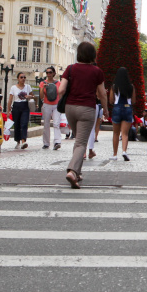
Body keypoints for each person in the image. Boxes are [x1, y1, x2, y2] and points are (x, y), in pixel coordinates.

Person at [58, 41, 108, 188]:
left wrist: (62, 100)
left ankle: (78, 173)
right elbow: (102, 94)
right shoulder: (97, 71)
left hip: (70, 108)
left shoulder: (70, 69)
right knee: (81, 142)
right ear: (92, 55)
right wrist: (105, 109)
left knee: (78, 141)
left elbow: (61, 90)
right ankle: (72, 171)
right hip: (87, 108)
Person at [109, 67, 136, 161]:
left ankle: (114, 154)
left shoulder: (114, 86)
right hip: (127, 108)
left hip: (117, 108)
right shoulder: (131, 87)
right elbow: (133, 101)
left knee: (116, 133)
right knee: (125, 133)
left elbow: (111, 100)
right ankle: (124, 151)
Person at [7, 72, 34, 149]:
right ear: (18, 79)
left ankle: (23, 141)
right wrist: (8, 111)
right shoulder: (13, 88)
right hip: (16, 106)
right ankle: (18, 141)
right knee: (17, 125)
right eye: (21, 77)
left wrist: (29, 96)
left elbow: (33, 96)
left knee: (24, 123)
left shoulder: (28, 87)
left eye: (24, 77)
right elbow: (10, 99)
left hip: (25, 106)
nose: (23, 79)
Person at [39, 66, 62, 150]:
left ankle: (57, 142)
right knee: (46, 124)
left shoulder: (58, 83)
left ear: (54, 73)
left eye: (50, 72)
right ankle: (46, 143)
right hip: (46, 105)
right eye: (47, 72)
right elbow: (41, 96)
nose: (48, 74)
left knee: (56, 123)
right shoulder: (43, 83)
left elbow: (60, 94)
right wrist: (43, 88)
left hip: (56, 105)